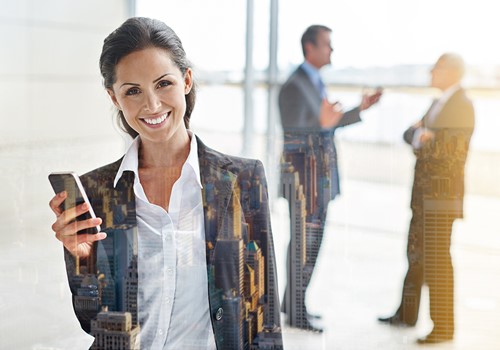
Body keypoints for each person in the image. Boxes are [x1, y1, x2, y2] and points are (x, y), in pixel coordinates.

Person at [49, 17, 283, 350]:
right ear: (114, 98)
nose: (153, 105)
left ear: (186, 80)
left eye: (163, 84)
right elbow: (94, 323)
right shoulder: (97, 191)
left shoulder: (241, 181)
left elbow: (263, 316)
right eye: (133, 91)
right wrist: (82, 261)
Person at [278, 24, 382, 332]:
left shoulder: (314, 81)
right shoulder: (294, 86)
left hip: (317, 180)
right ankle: (296, 311)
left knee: (309, 244)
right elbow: (295, 133)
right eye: (327, 45)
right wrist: (321, 124)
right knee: (303, 245)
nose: (332, 50)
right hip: (304, 181)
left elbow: (326, 125)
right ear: (310, 47)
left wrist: (358, 109)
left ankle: (293, 303)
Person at [378, 53, 475, 344]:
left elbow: (452, 152)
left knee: (437, 262)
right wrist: (423, 136)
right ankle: (406, 314)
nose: (431, 72)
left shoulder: (462, 105)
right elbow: (410, 133)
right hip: (422, 197)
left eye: (436, 68)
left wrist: (424, 138)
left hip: (441, 197)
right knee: (416, 254)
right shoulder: (438, 102)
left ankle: (443, 327)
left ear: (451, 71)